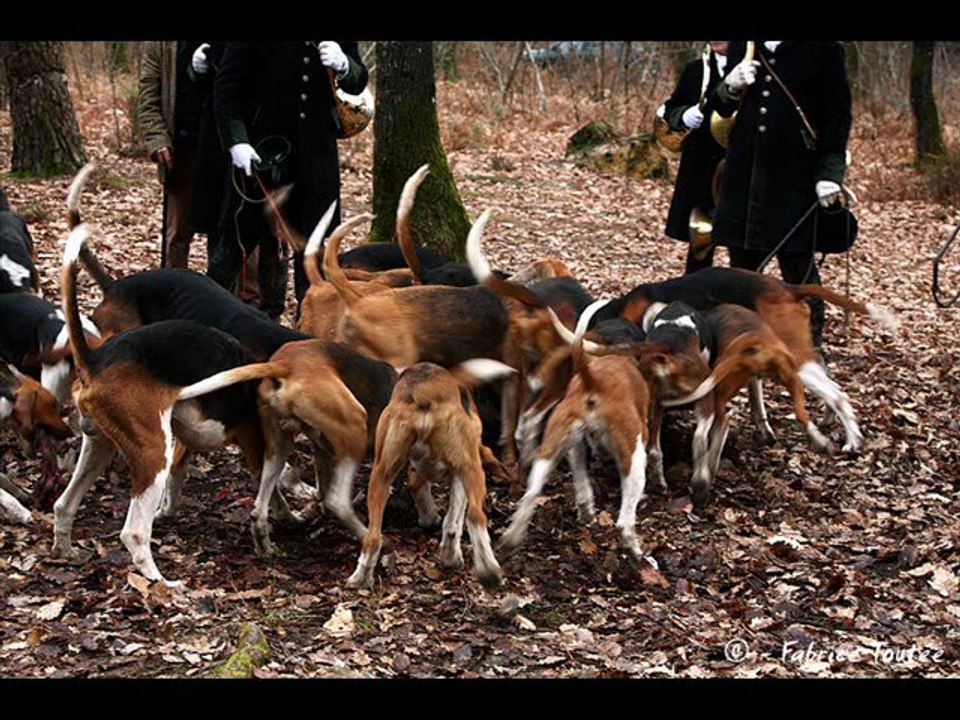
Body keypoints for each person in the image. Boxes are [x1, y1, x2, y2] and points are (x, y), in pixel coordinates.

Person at [709, 41, 852, 348]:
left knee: (799, 271)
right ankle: (742, 346)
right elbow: (719, 110)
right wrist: (729, 86)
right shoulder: (744, 45)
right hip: (744, 178)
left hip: (793, 179)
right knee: (740, 272)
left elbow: (838, 117)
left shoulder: (825, 50)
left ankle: (810, 348)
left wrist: (830, 174)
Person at [212, 41, 368, 319]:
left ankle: (312, 326)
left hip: (315, 159)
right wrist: (236, 141)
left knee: (314, 246)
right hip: (262, 154)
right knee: (234, 244)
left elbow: (357, 82)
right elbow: (226, 88)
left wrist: (344, 64)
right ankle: (202, 320)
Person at [661, 41, 731, 274]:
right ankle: (694, 297)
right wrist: (684, 116)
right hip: (701, 168)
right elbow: (672, 110)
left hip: (739, 167)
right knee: (699, 246)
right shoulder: (695, 69)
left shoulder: (756, 68)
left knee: (743, 247)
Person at [138, 41, 208, 269]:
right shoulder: (160, 46)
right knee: (177, 233)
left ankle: (238, 300)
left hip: (223, 149)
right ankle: (173, 293)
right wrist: (158, 140)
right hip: (182, 150)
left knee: (228, 233)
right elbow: (148, 100)